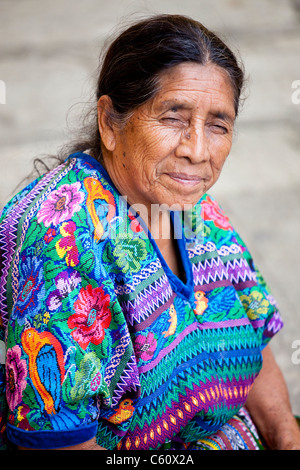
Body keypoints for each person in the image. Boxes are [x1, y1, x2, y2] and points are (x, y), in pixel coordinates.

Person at [0, 14, 299, 451]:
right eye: (174, 118)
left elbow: (255, 338)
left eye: (218, 124)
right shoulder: (60, 239)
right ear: (110, 122)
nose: (197, 151)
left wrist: (287, 441)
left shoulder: (190, 205)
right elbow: (60, 442)